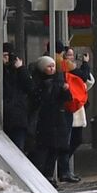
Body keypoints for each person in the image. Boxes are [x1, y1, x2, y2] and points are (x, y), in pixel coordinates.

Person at [30, 55, 72, 185]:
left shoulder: (58, 80)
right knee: (43, 149)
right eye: (49, 66)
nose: (52, 69)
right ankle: (42, 175)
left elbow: (67, 98)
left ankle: (49, 175)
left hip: (57, 119)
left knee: (55, 149)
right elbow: (36, 99)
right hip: (44, 120)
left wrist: (65, 90)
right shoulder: (38, 81)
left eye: (53, 66)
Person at [58, 45, 94, 184]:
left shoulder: (73, 70)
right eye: (69, 55)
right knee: (67, 141)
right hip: (69, 108)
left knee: (76, 139)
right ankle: (64, 169)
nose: (71, 58)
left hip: (76, 109)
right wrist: (85, 64)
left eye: (73, 55)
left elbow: (88, 81)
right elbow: (85, 77)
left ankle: (64, 168)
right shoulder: (66, 69)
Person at [2, 42, 32, 152]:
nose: (5, 59)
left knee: (17, 150)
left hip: (18, 118)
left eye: (6, 56)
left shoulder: (20, 72)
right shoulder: (1, 72)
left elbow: (30, 87)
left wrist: (21, 69)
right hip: (4, 117)